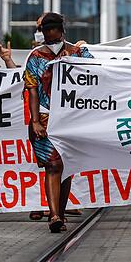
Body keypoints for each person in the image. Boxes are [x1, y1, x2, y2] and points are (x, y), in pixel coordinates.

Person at [25, 12, 93, 233]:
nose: (49, 38)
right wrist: (35, 121)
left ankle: (60, 214)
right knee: (53, 166)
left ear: (62, 32)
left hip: (71, 120)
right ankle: (54, 215)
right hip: (45, 118)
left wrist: (86, 51)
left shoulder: (77, 52)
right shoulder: (35, 57)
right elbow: (32, 91)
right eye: (46, 34)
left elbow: (99, 74)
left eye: (53, 34)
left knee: (66, 169)